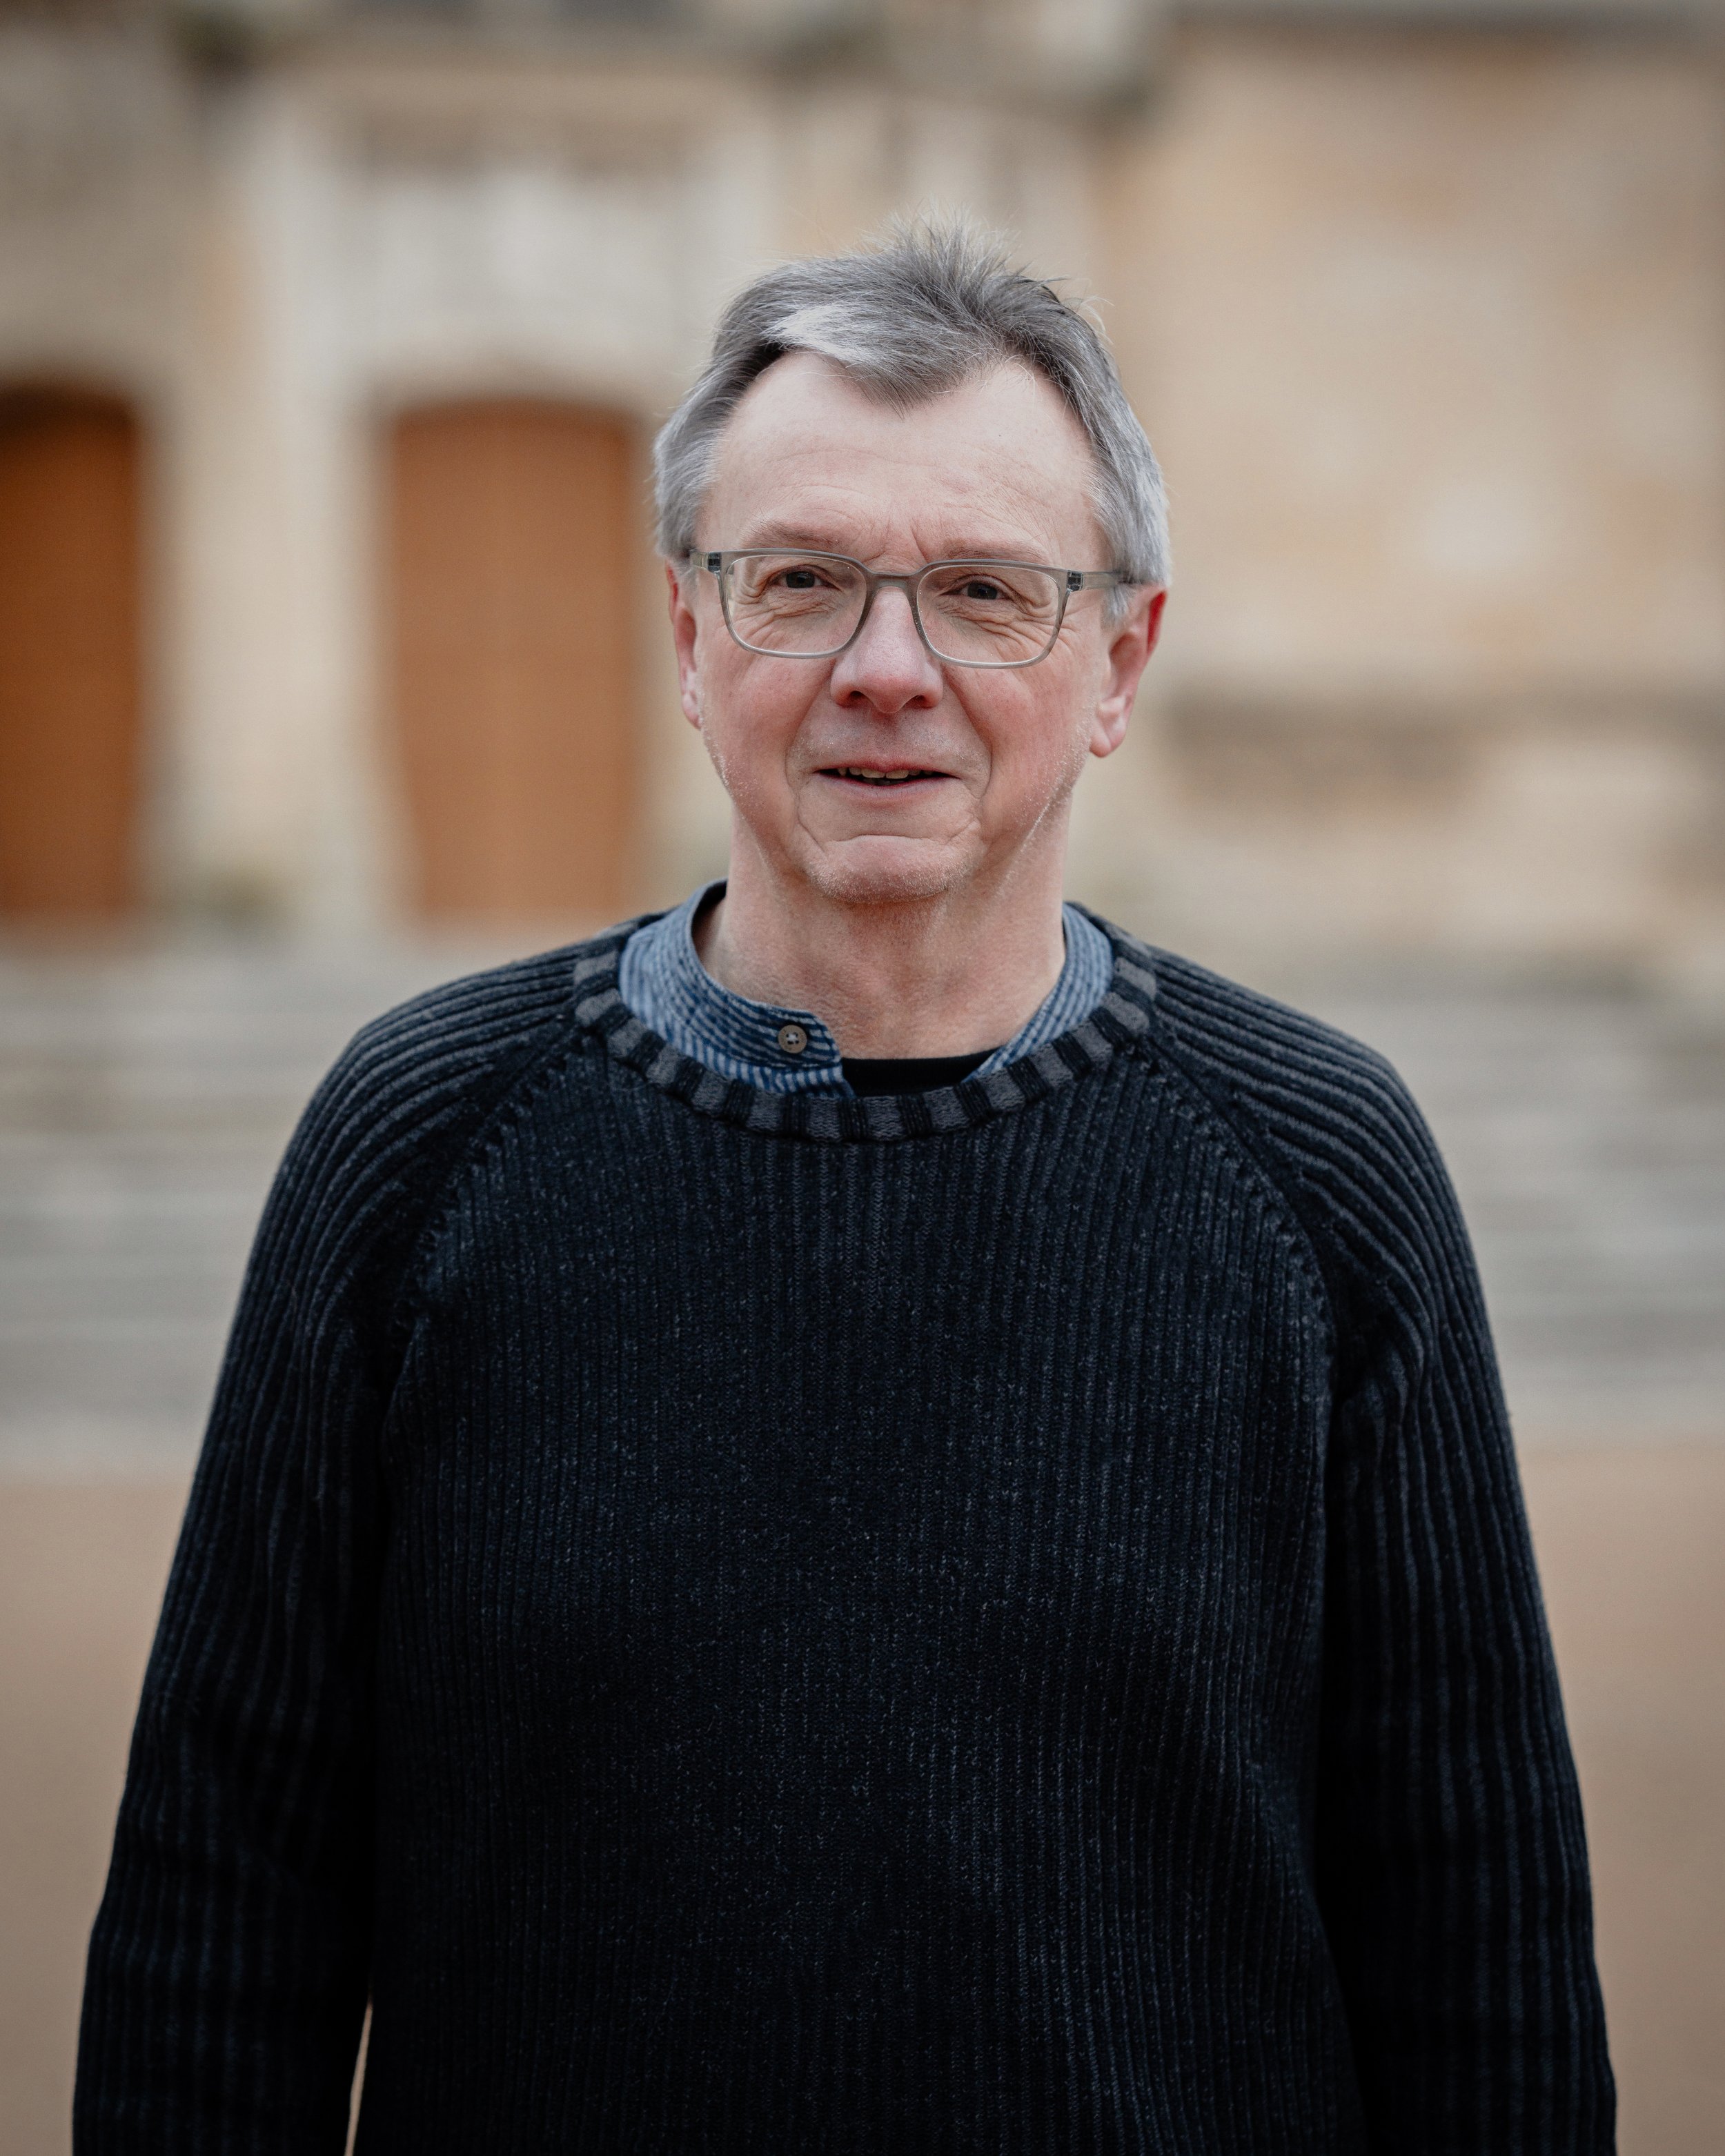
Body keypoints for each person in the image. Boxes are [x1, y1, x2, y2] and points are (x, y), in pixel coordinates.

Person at [76, 220, 1614, 2153]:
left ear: (1120, 657)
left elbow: (1477, 1960)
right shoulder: (420, 1148)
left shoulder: (1316, 1177)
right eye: (800, 580)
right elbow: (225, 1923)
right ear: (689, 638)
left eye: (985, 592)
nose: (887, 672)